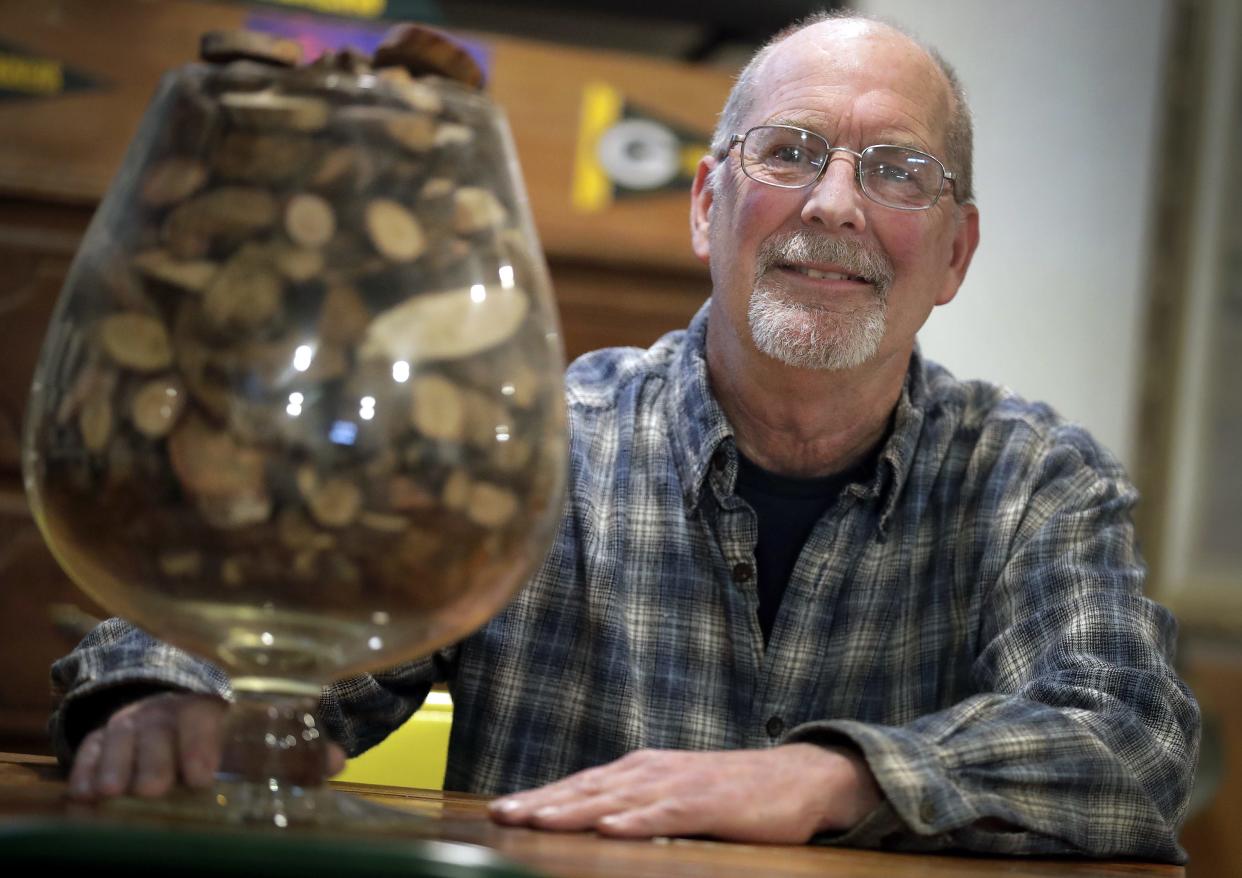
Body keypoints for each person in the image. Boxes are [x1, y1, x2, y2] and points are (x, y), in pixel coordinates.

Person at [50, 12, 1199, 862]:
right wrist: (164, 694)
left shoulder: (1036, 481)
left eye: (899, 171)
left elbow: (1136, 744)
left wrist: (828, 776)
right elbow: (275, 614)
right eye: (790, 152)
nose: (835, 205)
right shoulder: (529, 446)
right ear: (707, 205)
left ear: (955, 252)